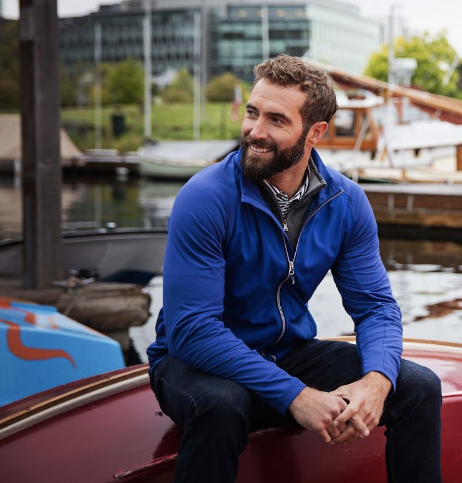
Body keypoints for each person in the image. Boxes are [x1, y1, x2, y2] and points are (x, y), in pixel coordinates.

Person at [147, 55, 442, 483]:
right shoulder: (205, 197)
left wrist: (375, 383)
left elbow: (376, 307)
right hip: (196, 364)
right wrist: (297, 397)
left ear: (315, 132)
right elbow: (192, 330)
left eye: (276, 120)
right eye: (252, 113)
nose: (255, 131)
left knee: (418, 386)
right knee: (221, 405)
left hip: (287, 354)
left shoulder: (345, 202)